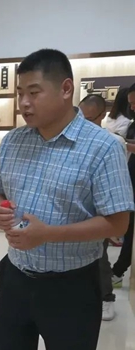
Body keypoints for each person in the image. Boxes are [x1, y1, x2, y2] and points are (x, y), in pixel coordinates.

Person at [0, 49, 133, 350]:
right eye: (20, 93)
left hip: (73, 284)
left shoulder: (103, 148)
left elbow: (117, 223)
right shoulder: (13, 140)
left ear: (66, 89)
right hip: (16, 273)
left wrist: (49, 234)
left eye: (34, 92)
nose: (24, 103)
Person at [78, 93, 125, 320]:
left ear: (101, 115)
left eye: (88, 119)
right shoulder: (75, 140)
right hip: (78, 208)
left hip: (101, 210)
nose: (82, 124)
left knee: (99, 255)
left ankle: (107, 298)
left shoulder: (112, 143)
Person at [111, 83, 135, 288]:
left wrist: (122, 144)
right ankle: (119, 270)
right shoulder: (132, 122)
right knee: (129, 228)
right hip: (130, 178)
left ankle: (119, 270)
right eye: (130, 103)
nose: (132, 107)